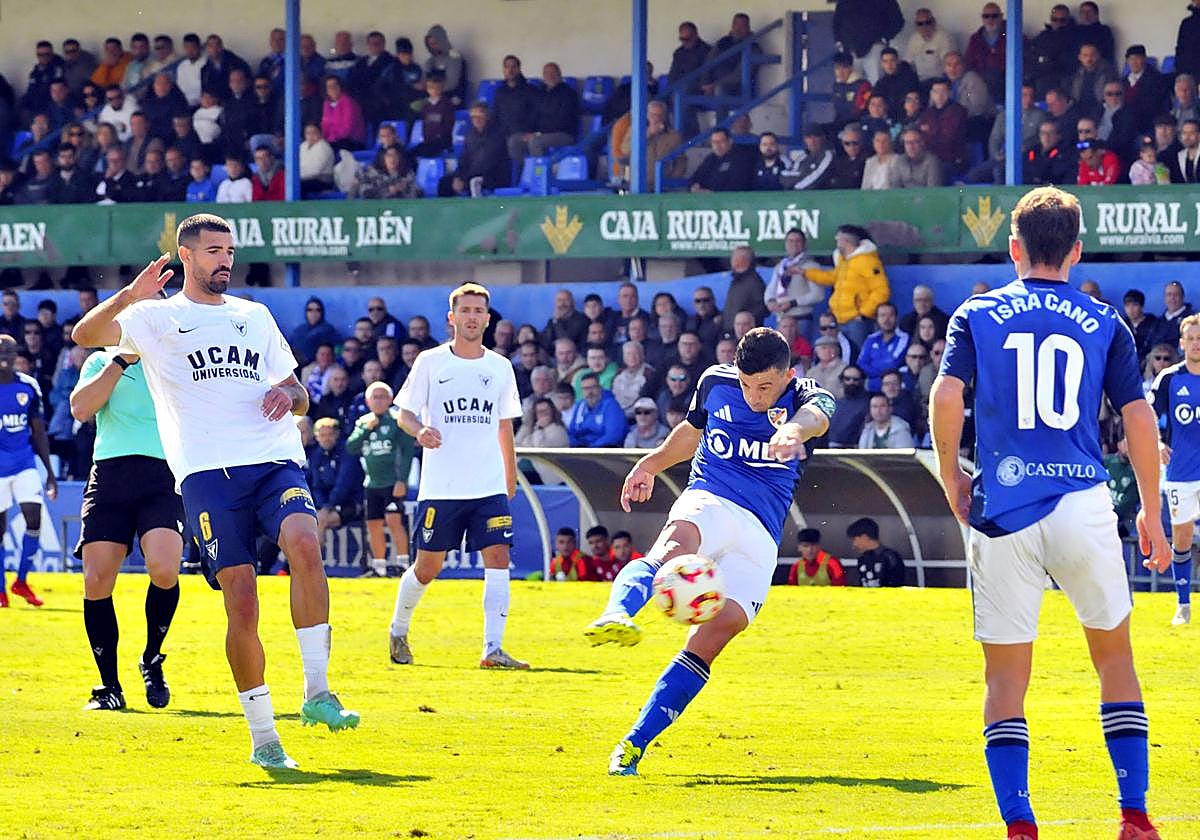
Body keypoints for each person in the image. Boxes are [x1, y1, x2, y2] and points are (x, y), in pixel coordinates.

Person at [71, 215, 359, 770]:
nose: (225, 260)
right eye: (213, 251)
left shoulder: (254, 315)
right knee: (242, 598)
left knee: (305, 542)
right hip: (207, 474)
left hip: (273, 460)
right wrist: (129, 295)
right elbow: (85, 336)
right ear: (186, 256)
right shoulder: (155, 317)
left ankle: (318, 691)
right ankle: (264, 738)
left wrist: (288, 395)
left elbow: (298, 392)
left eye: (229, 250)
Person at [929, 186, 1169, 840]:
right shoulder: (1104, 320)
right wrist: (1151, 510)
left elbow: (947, 395)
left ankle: (1020, 825)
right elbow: (1138, 416)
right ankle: (1134, 814)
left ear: (1014, 248)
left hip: (1003, 505)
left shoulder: (977, 313)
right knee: (1114, 658)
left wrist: (951, 474)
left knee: (1006, 676)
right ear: (1076, 251)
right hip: (1082, 501)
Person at [589, 327, 834, 776]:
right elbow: (693, 431)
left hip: (760, 533)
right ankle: (617, 613)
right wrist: (650, 463)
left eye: (765, 387)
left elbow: (819, 416)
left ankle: (632, 745)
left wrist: (793, 430)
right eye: (746, 384)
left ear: (787, 375)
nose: (754, 396)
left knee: (714, 635)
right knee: (672, 548)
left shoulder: (807, 395)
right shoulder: (714, 382)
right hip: (710, 498)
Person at [388, 283, 527, 669]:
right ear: (452, 318)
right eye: (465, 310)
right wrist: (419, 431)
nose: (471, 317)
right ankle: (398, 629)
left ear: (487, 318)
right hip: (442, 487)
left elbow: (504, 425)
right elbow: (404, 414)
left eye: (478, 311)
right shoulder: (431, 362)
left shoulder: (499, 367)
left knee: (498, 556)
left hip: (487, 485)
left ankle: (492, 649)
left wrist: (509, 475)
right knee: (428, 568)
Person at [68, 342, 183, 709]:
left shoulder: (175, 357)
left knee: (164, 570)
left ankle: (152, 657)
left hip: (163, 476)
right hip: (110, 476)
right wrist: (120, 360)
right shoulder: (101, 360)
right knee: (96, 580)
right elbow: (80, 409)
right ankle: (109, 688)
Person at [1150, 314, 1200, 626]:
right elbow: (1146, 414)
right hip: (1180, 472)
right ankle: (1183, 604)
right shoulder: (1169, 378)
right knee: (1182, 538)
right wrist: (1156, 442)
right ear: (1182, 344)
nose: (1196, 344)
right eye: (1191, 339)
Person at [0, 335, 57, 610]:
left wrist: (50, 473)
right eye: (1, 350)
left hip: (24, 464)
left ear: (16, 355)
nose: (4, 355)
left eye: (9, 350)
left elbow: (38, 432)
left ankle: (21, 581)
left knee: (34, 519)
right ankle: (1, 590)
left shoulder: (28, 386)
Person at [346, 382, 414, 578]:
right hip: (372, 483)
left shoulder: (397, 420)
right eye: (374, 397)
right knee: (373, 524)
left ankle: (403, 565)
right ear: (368, 401)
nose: (378, 401)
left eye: (382, 396)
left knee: (394, 521)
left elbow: (407, 452)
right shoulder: (363, 422)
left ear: (390, 399)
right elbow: (351, 446)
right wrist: (367, 429)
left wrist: (402, 480)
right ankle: (379, 567)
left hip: (392, 482)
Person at [804, 224, 889, 349]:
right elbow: (833, 277)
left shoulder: (867, 260)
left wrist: (863, 314)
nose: (836, 242)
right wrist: (805, 273)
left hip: (857, 322)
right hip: (839, 319)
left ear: (846, 241)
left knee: (857, 354)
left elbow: (882, 290)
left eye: (838, 239)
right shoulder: (844, 261)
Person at [308, 417, 363, 549]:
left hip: (352, 501)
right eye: (322, 435)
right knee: (310, 521)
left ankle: (312, 559)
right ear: (316, 437)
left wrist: (327, 507)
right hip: (327, 505)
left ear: (337, 434)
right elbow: (317, 486)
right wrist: (323, 505)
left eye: (330, 434)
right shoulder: (317, 455)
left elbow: (344, 485)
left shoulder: (347, 451)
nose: (326, 438)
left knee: (320, 520)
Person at [856, 302, 909, 391]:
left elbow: (893, 364)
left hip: (892, 386)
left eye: (890, 315)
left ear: (897, 318)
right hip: (872, 384)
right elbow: (861, 364)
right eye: (882, 315)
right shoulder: (871, 339)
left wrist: (872, 380)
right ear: (877, 318)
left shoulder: (904, 338)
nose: (886, 319)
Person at [566, 372, 626, 448]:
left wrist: (591, 448)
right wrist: (577, 445)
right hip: (582, 449)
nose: (590, 392)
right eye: (586, 388)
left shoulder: (611, 405)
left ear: (600, 388)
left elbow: (613, 435)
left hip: (603, 450)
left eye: (593, 387)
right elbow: (571, 432)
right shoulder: (580, 406)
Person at [688, 127, 754, 192]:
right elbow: (695, 178)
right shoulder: (710, 158)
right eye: (714, 142)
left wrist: (712, 193)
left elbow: (737, 186)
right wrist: (693, 186)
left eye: (721, 141)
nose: (717, 145)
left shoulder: (740, 158)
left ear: (730, 141)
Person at [846, 517, 905, 586]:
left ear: (864, 537)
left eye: (855, 539)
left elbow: (896, 585)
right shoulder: (862, 559)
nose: (854, 545)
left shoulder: (890, 558)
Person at [904, 9, 956, 82]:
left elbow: (950, 65)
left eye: (927, 22)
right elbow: (908, 62)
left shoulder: (944, 38)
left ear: (934, 22)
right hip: (919, 81)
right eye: (920, 24)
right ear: (916, 25)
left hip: (939, 80)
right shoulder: (913, 38)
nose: (924, 26)